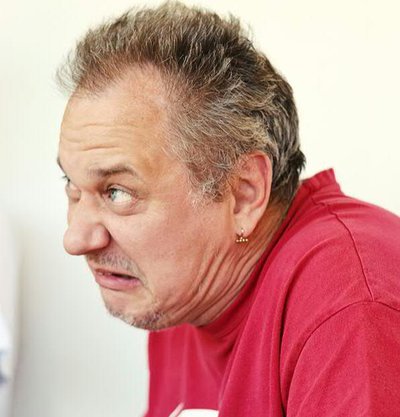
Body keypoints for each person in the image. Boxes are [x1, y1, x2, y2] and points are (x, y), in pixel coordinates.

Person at [56, 2, 400, 416]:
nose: (76, 239)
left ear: (243, 194)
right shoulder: (180, 291)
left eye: (117, 192)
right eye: (72, 186)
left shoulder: (351, 306)